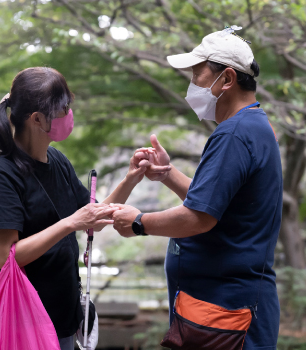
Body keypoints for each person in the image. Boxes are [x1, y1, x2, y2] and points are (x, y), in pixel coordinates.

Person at [0, 67, 172, 350]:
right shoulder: (0, 175)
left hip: (61, 319)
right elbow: (6, 258)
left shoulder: (57, 160)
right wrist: (70, 223)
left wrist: (131, 178)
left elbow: (93, 217)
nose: (69, 114)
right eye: (63, 108)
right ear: (38, 119)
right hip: (19, 324)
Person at [112, 27, 282, 349]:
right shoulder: (252, 125)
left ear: (228, 79)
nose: (192, 85)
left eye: (197, 75)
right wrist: (168, 174)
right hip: (222, 307)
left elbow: (199, 217)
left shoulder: (234, 134)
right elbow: (216, 202)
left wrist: (139, 222)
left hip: (227, 312)